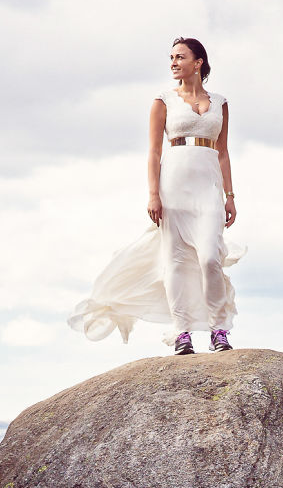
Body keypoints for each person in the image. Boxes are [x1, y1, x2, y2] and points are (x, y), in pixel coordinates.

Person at [68, 36, 244, 353]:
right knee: (175, 261)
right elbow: (153, 152)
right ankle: (183, 333)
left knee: (209, 258)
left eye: (179, 57)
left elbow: (223, 152)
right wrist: (153, 194)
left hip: (208, 186)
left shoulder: (220, 102)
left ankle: (219, 330)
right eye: (171, 58)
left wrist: (230, 196)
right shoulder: (164, 100)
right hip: (173, 183)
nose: (173, 63)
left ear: (198, 63)